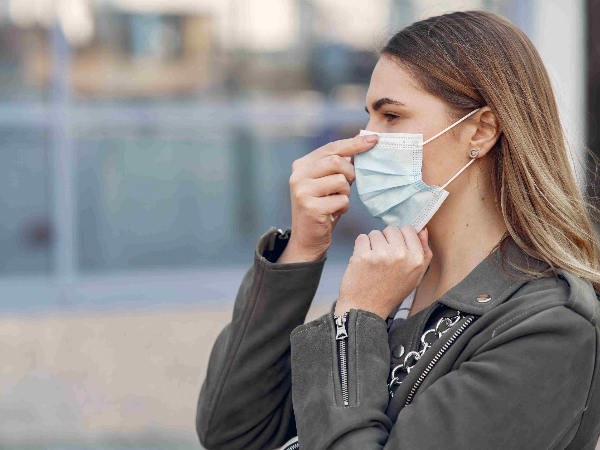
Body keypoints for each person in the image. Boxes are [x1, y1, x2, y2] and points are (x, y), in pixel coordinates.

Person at [196, 10, 600, 450]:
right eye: (368, 117)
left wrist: (354, 321)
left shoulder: (550, 328)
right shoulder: (395, 284)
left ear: (481, 131)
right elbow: (233, 431)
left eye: (390, 116)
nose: (365, 141)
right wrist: (302, 250)